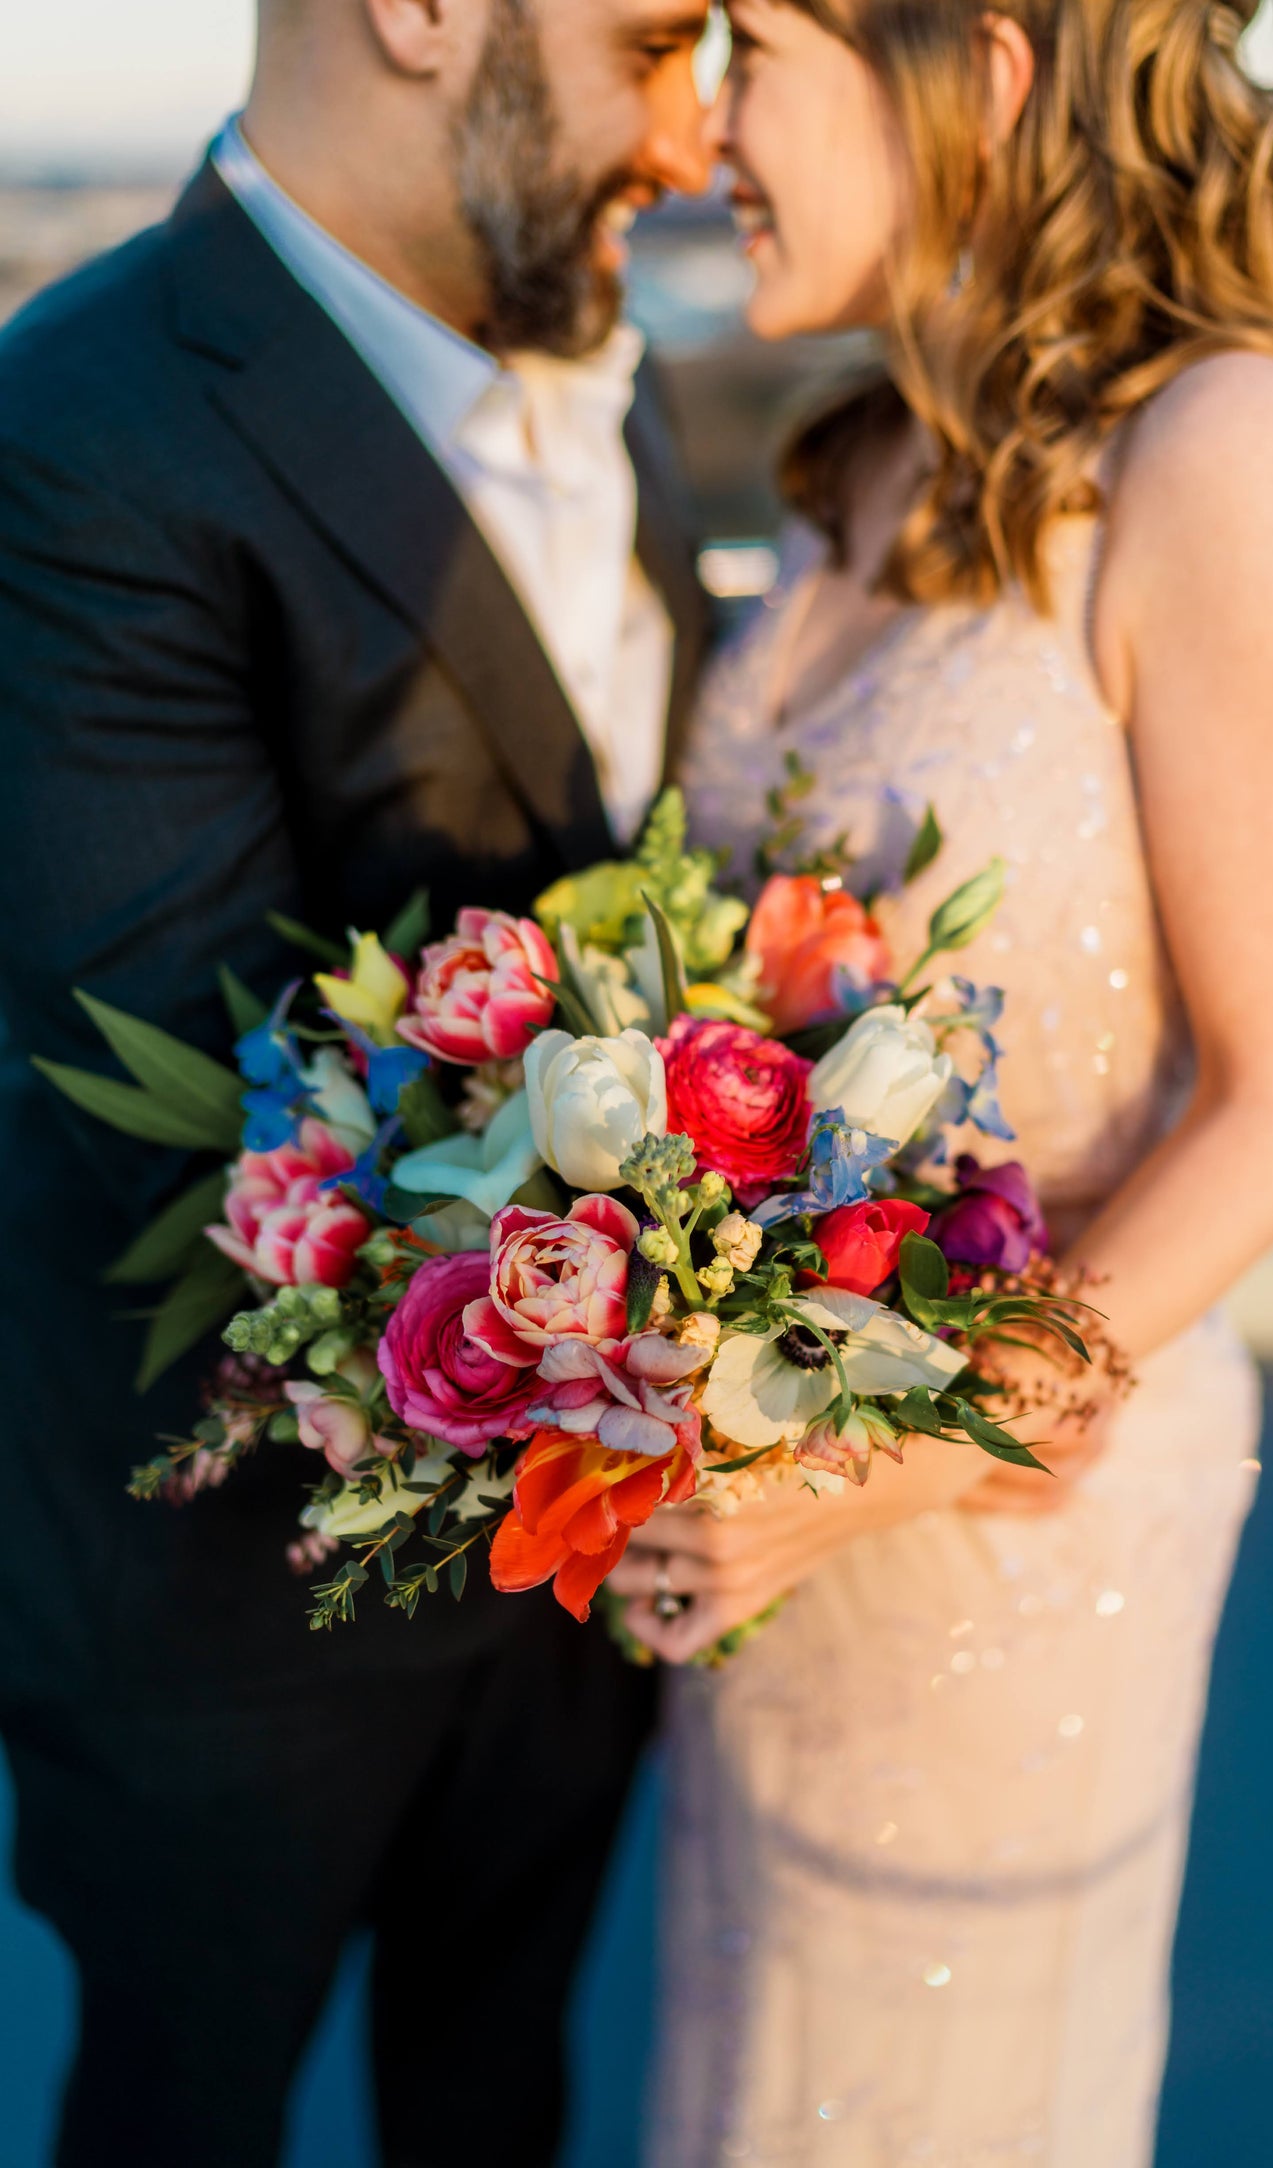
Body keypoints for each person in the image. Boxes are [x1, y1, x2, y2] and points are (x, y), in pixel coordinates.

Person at [609, 1, 1273, 2160]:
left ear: (973, 70)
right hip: (781, 1554)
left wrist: (881, 1461)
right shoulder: (874, 453)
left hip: (1010, 1533)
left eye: (753, 48)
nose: (703, 128)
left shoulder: (1235, 454)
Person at [0, 1, 711, 2161]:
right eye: (657, 42)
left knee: (500, 2095)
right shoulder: (87, 422)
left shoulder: (619, 379)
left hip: (577, 1571)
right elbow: (224, 1083)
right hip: (231, 1620)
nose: (689, 138)